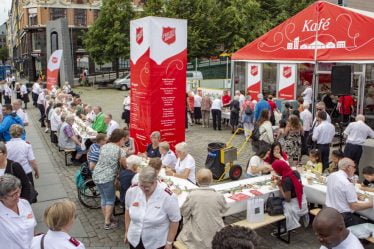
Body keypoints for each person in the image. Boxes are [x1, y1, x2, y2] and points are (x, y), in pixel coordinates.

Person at [125, 167, 181, 249]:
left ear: (155, 182)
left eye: (147, 187)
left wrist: (169, 243)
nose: (143, 189)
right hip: (135, 239)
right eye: (141, 185)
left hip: (156, 243)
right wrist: (127, 231)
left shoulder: (168, 196)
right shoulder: (132, 191)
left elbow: (175, 221)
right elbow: (127, 211)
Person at [177, 169, 228, 249]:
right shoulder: (218, 195)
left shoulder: (192, 195)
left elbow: (184, 212)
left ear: (197, 180)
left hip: (197, 237)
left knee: (185, 231)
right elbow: (224, 210)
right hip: (215, 235)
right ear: (211, 180)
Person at [92, 129, 127, 229]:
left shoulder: (104, 146)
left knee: (104, 198)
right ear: (120, 139)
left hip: (97, 175)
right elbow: (124, 165)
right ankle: (107, 222)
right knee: (110, 200)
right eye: (124, 140)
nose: (124, 142)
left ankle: (108, 218)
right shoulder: (120, 151)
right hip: (107, 178)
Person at [326, 158, 373, 227]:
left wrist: (353, 195)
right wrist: (371, 204)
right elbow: (354, 206)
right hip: (343, 217)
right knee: (370, 224)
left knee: (359, 216)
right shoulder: (347, 183)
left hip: (329, 211)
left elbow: (338, 192)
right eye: (354, 167)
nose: (355, 170)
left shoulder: (331, 176)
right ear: (348, 167)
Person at [0, 174, 36, 249]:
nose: (18, 195)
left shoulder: (24, 203)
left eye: (18, 191)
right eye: (13, 195)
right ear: (2, 197)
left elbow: (32, 228)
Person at [271, 160, 309, 232]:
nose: (274, 171)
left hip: (295, 206)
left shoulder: (286, 180)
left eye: (275, 169)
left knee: (277, 203)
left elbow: (287, 199)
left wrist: (280, 186)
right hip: (302, 201)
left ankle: (283, 225)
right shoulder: (295, 172)